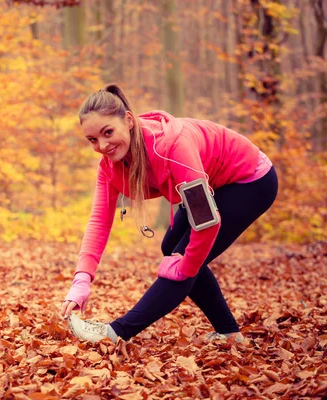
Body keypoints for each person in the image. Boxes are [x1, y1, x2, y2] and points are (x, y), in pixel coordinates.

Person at [60, 84, 278, 344]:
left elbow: (206, 223)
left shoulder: (173, 148)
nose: (102, 145)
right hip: (211, 185)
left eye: (108, 132)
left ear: (128, 120)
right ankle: (228, 332)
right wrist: (81, 281)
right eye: (93, 139)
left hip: (249, 180)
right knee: (171, 248)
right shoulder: (110, 165)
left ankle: (116, 332)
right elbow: (99, 221)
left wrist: (186, 265)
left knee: (183, 258)